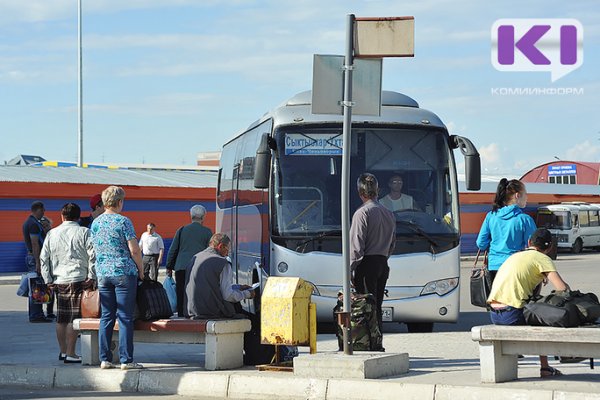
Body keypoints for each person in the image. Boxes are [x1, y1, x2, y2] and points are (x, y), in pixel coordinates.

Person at [487, 227, 570, 378]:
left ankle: (548, 365)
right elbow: (562, 289)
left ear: (529, 242)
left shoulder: (515, 256)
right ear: (550, 247)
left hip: (495, 313)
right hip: (511, 314)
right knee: (547, 316)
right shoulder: (542, 259)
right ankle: (551, 364)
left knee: (538, 312)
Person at [90, 186, 144, 370]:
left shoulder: (96, 223)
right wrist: (141, 270)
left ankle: (105, 359)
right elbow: (134, 250)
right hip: (123, 273)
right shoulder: (124, 221)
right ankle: (126, 360)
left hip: (103, 274)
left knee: (106, 316)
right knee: (125, 317)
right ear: (119, 202)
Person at [40, 203, 96, 364]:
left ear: (62, 216)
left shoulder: (52, 233)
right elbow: (93, 256)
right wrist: (92, 276)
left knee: (61, 318)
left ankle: (63, 351)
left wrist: (48, 279)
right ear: (78, 217)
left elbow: (44, 258)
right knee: (74, 318)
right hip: (79, 278)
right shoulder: (85, 232)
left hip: (59, 280)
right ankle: (71, 353)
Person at [350, 173, 396, 337]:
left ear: (360, 192)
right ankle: (377, 340)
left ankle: (368, 341)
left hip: (366, 264)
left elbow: (356, 245)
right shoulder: (388, 213)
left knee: (366, 307)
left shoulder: (362, 213)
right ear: (378, 191)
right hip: (382, 263)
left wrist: (350, 268)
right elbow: (392, 244)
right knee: (377, 306)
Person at [476, 178, 537, 282]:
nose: (527, 197)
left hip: (494, 267)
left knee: (496, 298)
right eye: (525, 194)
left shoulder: (491, 216)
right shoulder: (525, 219)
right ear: (517, 195)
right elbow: (534, 247)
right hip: (516, 267)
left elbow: (481, 243)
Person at [185, 233, 254, 319]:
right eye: (227, 249)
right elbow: (227, 295)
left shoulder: (195, 257)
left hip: (192, 311)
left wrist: (238, 287)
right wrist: (247, 294)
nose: (227, 254)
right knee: (251, 319)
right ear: (220, 246)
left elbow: (212, 286)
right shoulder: (222, 263)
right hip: (212, 312)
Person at [166, 204, 213, 317]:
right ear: (203, 217)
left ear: (191, 216)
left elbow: (173, 249)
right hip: (199, 267)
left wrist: (169, 266)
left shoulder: (182, 230)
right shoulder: (207, 232)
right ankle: (195, 312)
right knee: (197, 291)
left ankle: (182, 314)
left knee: (181, 291)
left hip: (181, 266)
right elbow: (211, 251)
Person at [22, 201, 55, 322]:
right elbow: (35, 243)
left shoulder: (31, 222)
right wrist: (38, 262)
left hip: (33, 257)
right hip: (34, 257)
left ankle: (38, 313)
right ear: (38, 210)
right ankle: (36, 315)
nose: (44, 212)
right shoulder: (33, 224)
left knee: (37, 287)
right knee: (37, 287)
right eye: (43, 210)